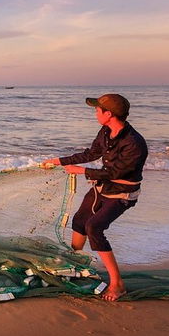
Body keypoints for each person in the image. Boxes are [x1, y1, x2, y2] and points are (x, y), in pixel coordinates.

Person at [43, 93, 148, 301]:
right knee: (80, 221)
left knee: (94, 227)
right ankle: (75, 264)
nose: (95, 113)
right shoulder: (106, 130)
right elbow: (91, 154)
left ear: (108, 114)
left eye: (97, 110)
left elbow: (115, 174)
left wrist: (80, 172)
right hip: (103, 187)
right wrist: (59, 161)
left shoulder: (134, 143)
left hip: (122, 193)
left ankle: (117, 284)